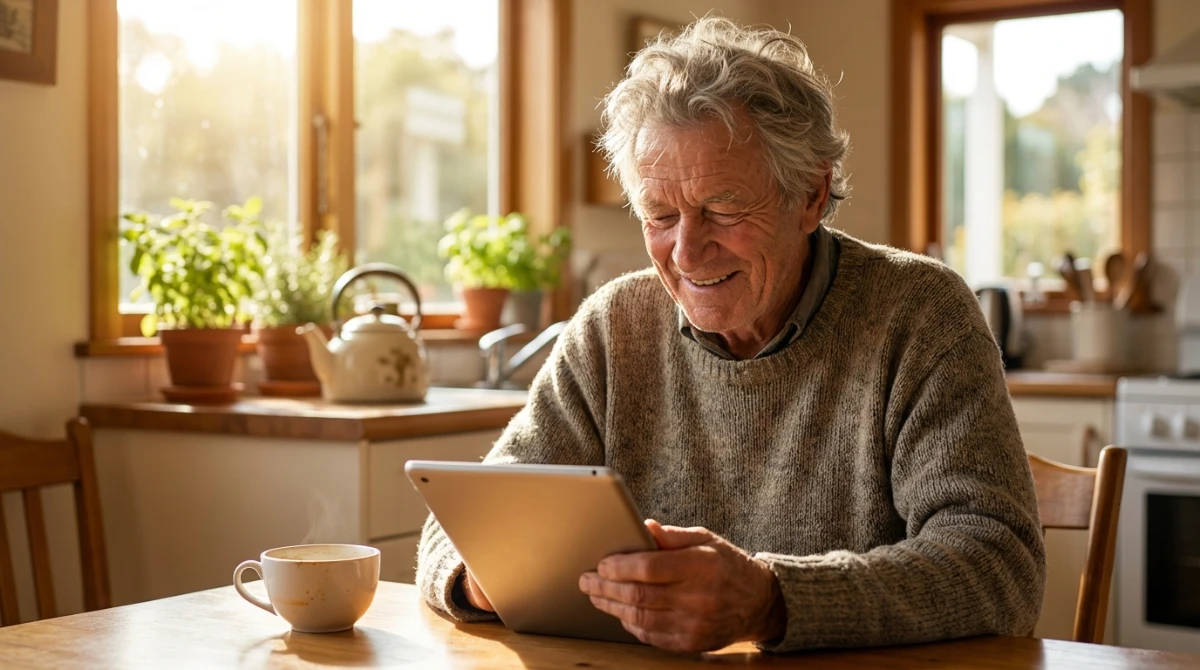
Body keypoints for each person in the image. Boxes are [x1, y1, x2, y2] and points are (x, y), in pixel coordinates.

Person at [417, 16, 1045, 654]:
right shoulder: (613, 328)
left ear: (811, 194)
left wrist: (770, 600)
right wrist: (485, 577)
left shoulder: (919, 314)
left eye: (722, 208)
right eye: (660, 215)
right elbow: (459, 528)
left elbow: (1000, 566)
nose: (686, 252)